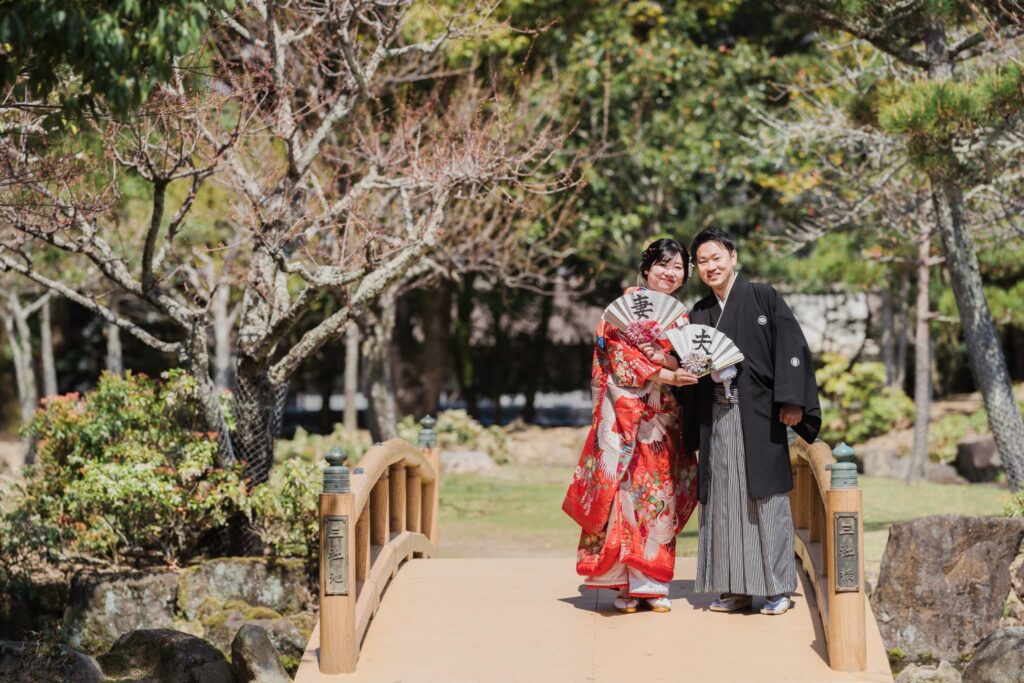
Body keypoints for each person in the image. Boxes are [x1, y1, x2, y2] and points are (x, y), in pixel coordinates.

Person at [685, 227, 821, 615]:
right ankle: (735, 588)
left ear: (733, 257)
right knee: (723, 500)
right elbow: (692, 368)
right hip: (717, 414)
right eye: (702, 262)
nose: (710, 267)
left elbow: (792, 349)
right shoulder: (700, 312)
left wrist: (792, 400)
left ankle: (776, 588)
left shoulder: (763, 297)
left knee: (767, 496)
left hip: (759, 413)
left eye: (716, 258)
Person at [562, 238, 700, 614]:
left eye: (678, 268)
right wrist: (664, 373)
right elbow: (617, 358)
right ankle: (624, 584)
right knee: (623, 498)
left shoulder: (681, 315)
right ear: (646, 268)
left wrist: (674, 363)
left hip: (662, 422)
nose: (670, 274)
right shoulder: (621, 309)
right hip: (625, 418)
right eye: (663, 265)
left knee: (658, 497)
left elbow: (688, 357)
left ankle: (652, 585)